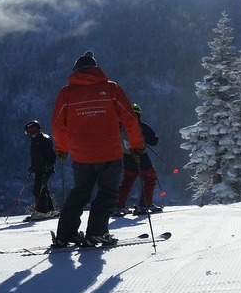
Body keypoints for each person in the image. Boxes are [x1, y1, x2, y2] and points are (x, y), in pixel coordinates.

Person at [51, 51, 145, 247]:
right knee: (108, 192)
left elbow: (58, 124)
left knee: (80, 192)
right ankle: (97, 233)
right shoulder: (111, 88)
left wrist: (62, 149)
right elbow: (129, 118)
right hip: (109, 152)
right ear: (95, 69)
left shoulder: (66, 93)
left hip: (81, 155)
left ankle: (65, 234)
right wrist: (136, 146)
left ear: (75, 71)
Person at [115, 104, 161, 215]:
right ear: (139, 114)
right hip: (142, 157)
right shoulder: (142, 127)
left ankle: (119, 206)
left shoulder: (120, 127)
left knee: (127, 182)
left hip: (127, 158)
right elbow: (154, 142)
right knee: (150, 178)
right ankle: (145, 205)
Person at [23, 120, 56, 219]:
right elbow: (37, 157)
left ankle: (42, 212)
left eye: (30, 130)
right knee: (43, 188)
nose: (29, 133)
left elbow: (52, 155)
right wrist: (33, 168)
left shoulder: (43, 139)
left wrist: (48, 165)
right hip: (39, 169)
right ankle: (50, 210)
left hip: (45, 169)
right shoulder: (35, 140)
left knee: (38, 190)